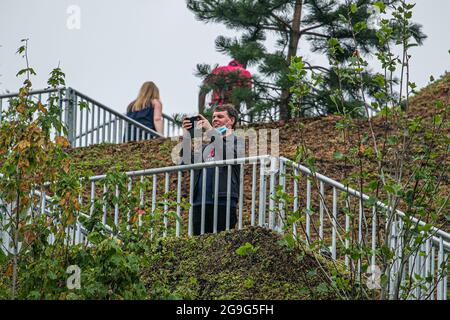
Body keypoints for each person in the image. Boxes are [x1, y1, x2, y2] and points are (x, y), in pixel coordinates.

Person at [181, 104, 243, 235]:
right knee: (200, 248)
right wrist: (187, 135)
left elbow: (226, 154)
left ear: (231, 121)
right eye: (213, 116)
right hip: (199, 203)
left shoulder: (236, 141)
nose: (215, 119)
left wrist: (209, 129)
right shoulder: (206, 147)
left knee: (223, 245)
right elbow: (185, 161)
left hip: (223, 202)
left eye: (220, 116)